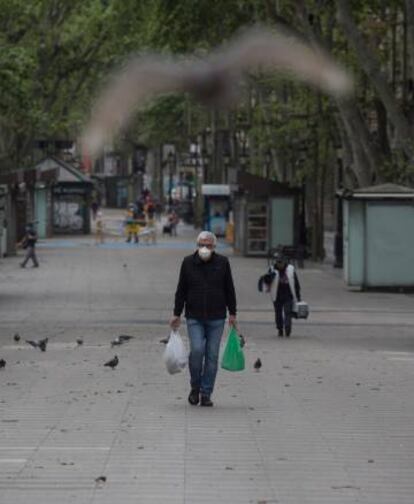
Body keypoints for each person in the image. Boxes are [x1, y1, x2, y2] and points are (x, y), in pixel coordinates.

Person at [170, 231, 237, 407]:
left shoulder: (222, 263)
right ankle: (195, 387)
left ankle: (206, 393)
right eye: (201, 244)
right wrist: (176, 313)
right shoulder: (188, 262)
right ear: (197, 245)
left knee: (212, 356)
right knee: (197, 350)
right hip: (194, 316)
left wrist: (233, 313)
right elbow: (181, 289)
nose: (204, 248)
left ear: (214, 247)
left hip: (217, 317)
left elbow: (229, 288)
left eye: (208, 245)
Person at [268, 254, 301, 337]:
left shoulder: (290, 269)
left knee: (288, 312)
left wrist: (298, 296)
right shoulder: (272, 269)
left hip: (288, 294)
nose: (280, 264)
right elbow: (266, 282)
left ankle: (287, 328)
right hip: (277, 295)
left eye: (281, 262)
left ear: (284, 262)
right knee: (278, 313)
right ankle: (280, 329)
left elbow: (296, 283)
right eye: (278, 262)